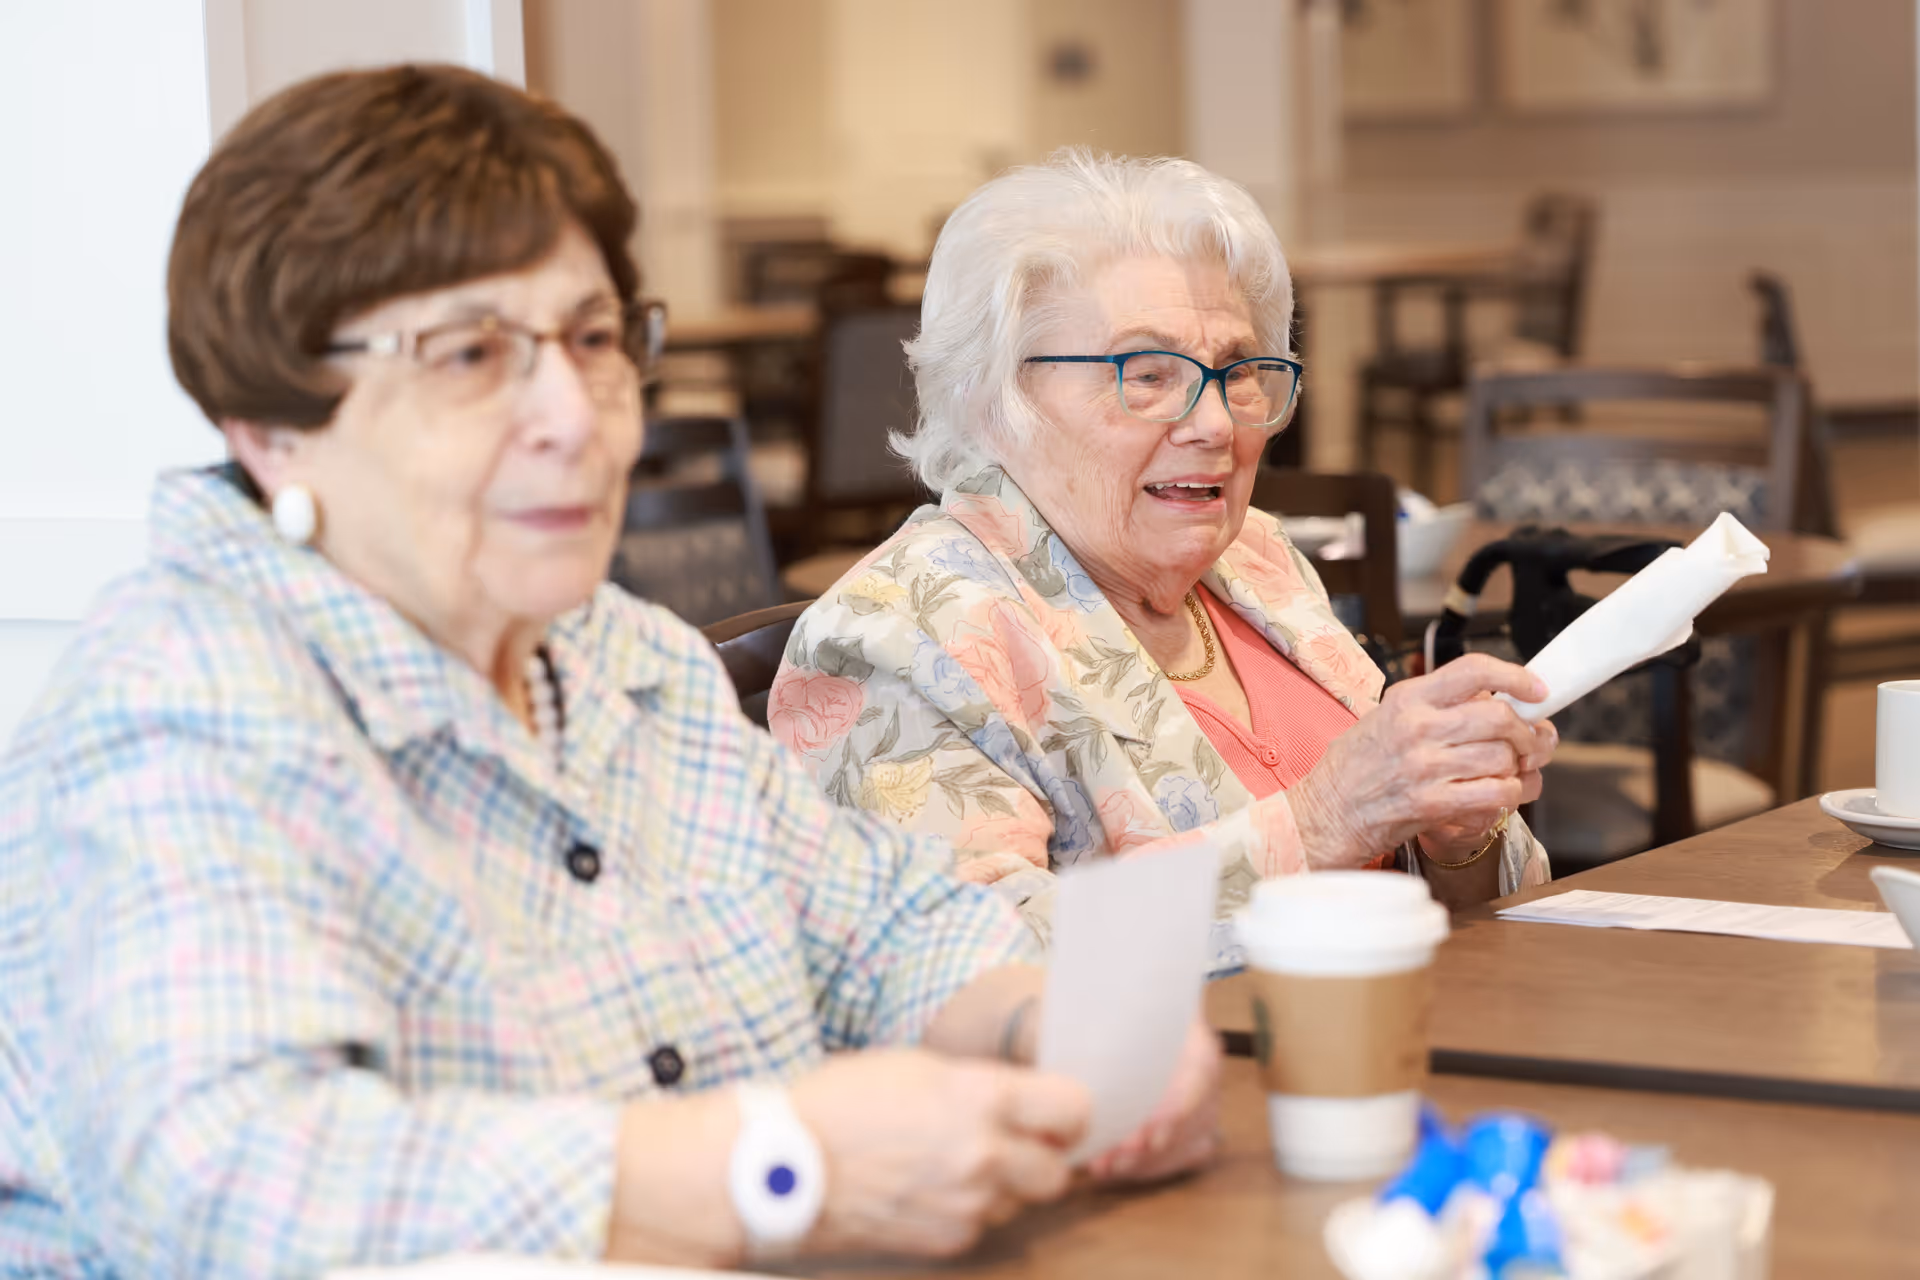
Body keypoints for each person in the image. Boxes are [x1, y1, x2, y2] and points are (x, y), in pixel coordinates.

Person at [0, 69, 1218, 1276]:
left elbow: (880, 926)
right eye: (470, 353)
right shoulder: (175, 704)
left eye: (592, 339)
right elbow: (235, 1183)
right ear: (270, 427)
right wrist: (773, 1166)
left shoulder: (616, 653)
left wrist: (1048, 1022)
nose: (577, 415)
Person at [771, 151, 1557, 939]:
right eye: (1146, 375)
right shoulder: (892, 639)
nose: (1216, 423)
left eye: (1238, 370)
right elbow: (964, 968)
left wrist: (1454, 835)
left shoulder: (1256, 560)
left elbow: (1475, 903)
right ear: (993, 399)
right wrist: (1322, 822)